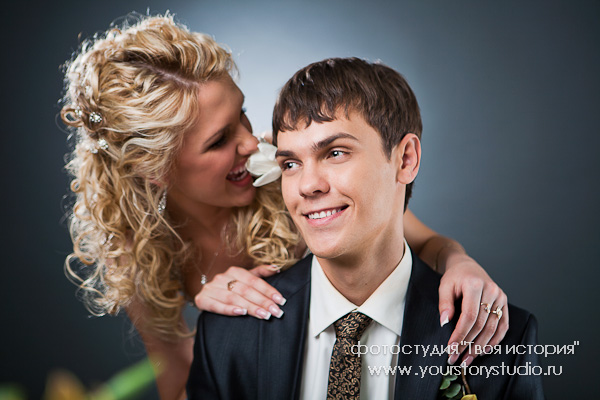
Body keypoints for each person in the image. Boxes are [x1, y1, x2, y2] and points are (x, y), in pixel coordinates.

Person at [61, 14, 508, 400]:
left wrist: (461, 263)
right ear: (155, 169)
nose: (251, 142)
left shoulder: (296, 174)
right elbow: (177, 383)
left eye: (242, 114)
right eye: (218, 141)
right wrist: (219, 337)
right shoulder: (135, 249)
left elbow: (420, 239)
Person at [187, 57, 544, 399]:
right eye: (291, 163)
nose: (307, 185)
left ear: (405, 159)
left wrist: (456, 258)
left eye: (336, 153)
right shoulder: (226, 335)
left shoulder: (502, 340)